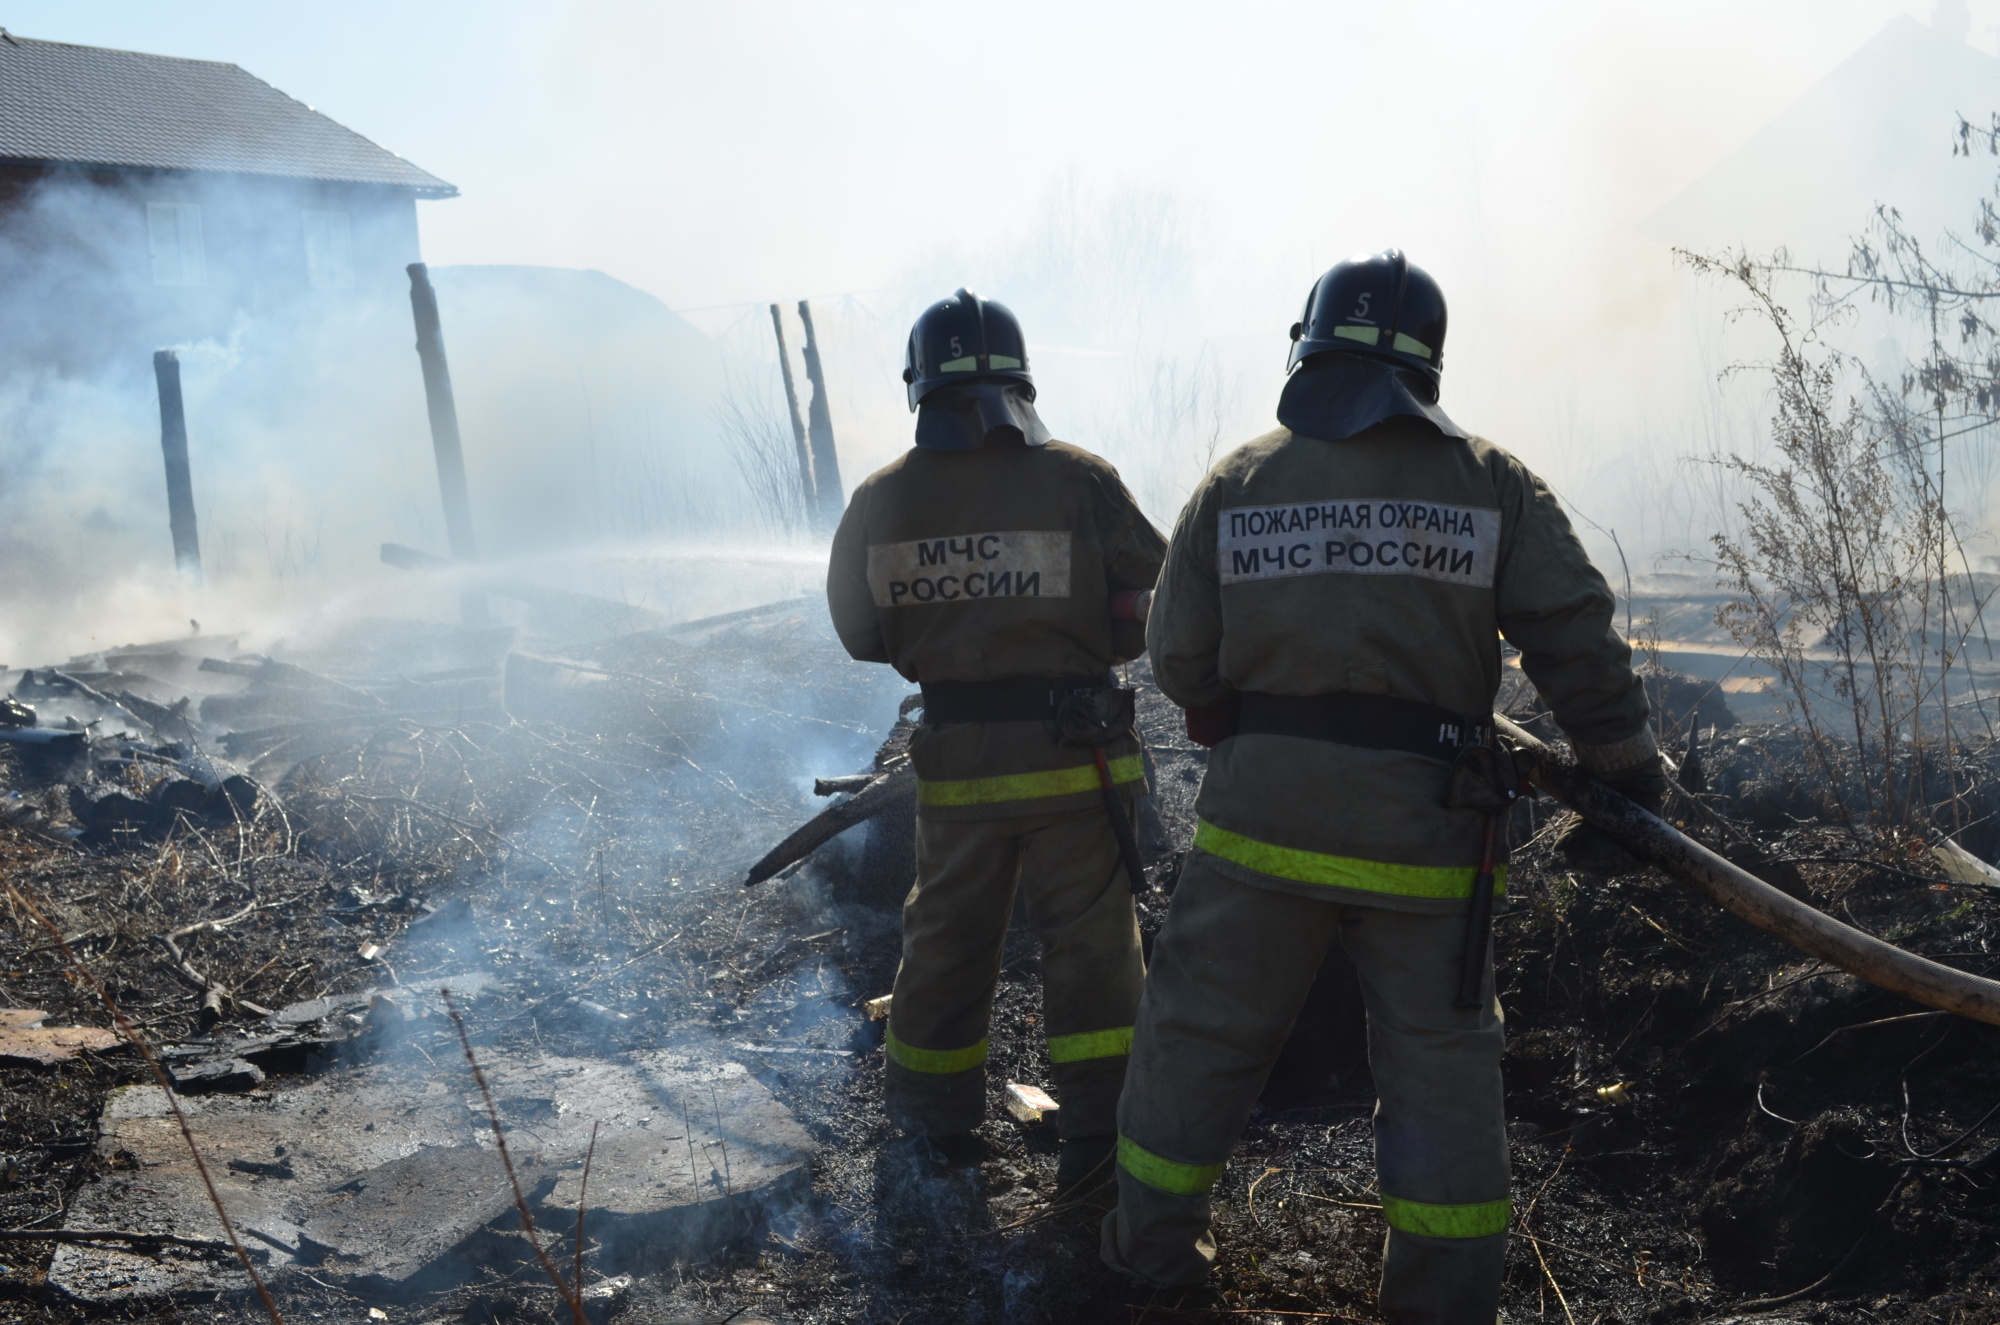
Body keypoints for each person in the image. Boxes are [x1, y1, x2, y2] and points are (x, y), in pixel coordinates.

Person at [1102, 250, 1662, 1322]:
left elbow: (1178, 654)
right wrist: (1624, 764)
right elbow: (1574, 636)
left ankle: (1150, 1258)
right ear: (1427, 366)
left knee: (1198, 1037)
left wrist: (1245, 697)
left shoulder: (1241, 480)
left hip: (1260, 826)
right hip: (1428, 836)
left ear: (1308, 349)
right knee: (1440, 1073)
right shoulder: (1489, 481)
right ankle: (1440, 1303)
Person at [827, 288, 1168, 1196]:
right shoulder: (1080, 479)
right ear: (1021, 380)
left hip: (960, 768)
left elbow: (861, 633)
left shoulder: (881, 499)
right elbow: (1163, 597)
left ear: (921, 385)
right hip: (1075, 760)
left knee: (944, 939)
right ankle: (1101, 1127)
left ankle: (931, 1127)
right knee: (1093, 945)